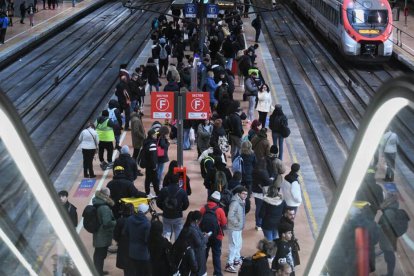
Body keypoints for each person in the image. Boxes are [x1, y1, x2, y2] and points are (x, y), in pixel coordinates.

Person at [200, 191, 227, 276]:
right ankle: (217, 273)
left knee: (204, 254)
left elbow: (199, 221)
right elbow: (224, 223)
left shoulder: (203, 208)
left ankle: (202, 271)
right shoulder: (220, 210)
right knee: (216, 255)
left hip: (205, 235)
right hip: (217, 236)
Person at [156, 174, 189, 242]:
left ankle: (166, 248)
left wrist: (164, 208)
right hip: (178, 216)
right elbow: (186, 204)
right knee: (178, 232)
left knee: (166, 232)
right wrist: (180, 209)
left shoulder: (163, 190)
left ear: (169, 180)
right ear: (178, 181)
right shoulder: (182, 191)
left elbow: (158, 202)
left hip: (166, 215)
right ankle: (176, 249)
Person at [92, 188, 116, 276]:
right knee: (100, 255)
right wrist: (116, 222)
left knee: (99, 254)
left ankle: (99, 271)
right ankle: (98, 272)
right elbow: (107, 223)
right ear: (106, 195)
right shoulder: (104, 207)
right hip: (102, 235)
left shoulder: (97, 202)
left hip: (99, 233)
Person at [175, 211, 208, 276]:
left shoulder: (191, 227)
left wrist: (202, 235)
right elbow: (200, 243)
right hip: (196, 255)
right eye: (200, 220)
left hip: (195, 255)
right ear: (196, 220)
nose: (200, 222)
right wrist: (206, 238)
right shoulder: (192, 229)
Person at [123, 203, 151, 276]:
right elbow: (147, 239)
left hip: (132, 251)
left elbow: (125, 233)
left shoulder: (129, 219)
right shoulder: (147, 224)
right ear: (145, 212)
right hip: (143, 252)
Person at [225, 187, 248, 273]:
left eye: (246, 194)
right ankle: (229, 264)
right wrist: (237, 223)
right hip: (234, 228)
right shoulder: (235, 202)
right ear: (239, 193)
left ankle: (236, 260)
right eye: (243, 194)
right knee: (233, 246)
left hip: (238, 228)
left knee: (238, 244)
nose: (245, 196)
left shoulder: (242, 201)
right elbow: (230, 216)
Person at [113, 203, 135, 274]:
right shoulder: (135, 220)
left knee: (126, 267)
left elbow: (115, 235)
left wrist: (120, 241)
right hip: (134, 246)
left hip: (123, 245)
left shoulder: (120, 221)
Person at [252, 159, 273, 231]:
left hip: (255, 191)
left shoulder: (254, 170)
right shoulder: (263, 172)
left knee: (258, 207)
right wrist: (272, 179)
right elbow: (268, 182)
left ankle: (258, 223)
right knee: (259, 208)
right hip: (261, 192)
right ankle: (258, 224)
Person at [142, 129, 159, 195]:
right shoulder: (152, 144)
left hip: (147, 164)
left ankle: (147, 192)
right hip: (152, 165)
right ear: (152, 135)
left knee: (148, 179)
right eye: (155, 134)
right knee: (155, 180)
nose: (156, 135)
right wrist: (154, 166)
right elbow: (153, 156)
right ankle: (157, 192)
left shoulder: (146, 142)